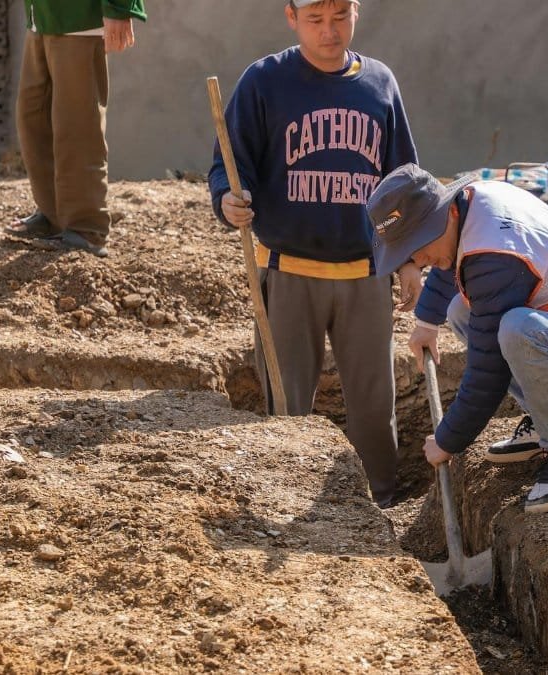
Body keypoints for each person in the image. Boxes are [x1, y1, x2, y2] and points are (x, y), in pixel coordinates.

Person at [208, 0, 421, 508]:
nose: (329, 32)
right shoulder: (264, 82)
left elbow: (403, 181)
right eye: (315, 20)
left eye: (340, 17)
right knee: (287, 404)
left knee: (373, 405)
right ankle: (286, 499)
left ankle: (382, 503)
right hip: (288, 272)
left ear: (356, 12)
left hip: (366, 274)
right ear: (291, 17)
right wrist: (227, 200)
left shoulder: (380, 84)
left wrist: (409, 258)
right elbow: (229, 164)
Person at [367, 164, 548, 514]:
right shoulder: (472, 207)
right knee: (463, 308)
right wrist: (428, 322)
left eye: (415, 248)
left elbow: (488, 370)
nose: (419, 260)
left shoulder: (496, 256)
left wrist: (447, 440)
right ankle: (546, 420)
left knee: (517, 328)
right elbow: (453, 263)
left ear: (443, 216)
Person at [5, 0, 147, 258]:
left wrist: (119, 7)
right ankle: (54, 215)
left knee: (77, 128)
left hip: (80, 18)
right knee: (34, 119)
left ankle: (86, 229)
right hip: (42, 16)